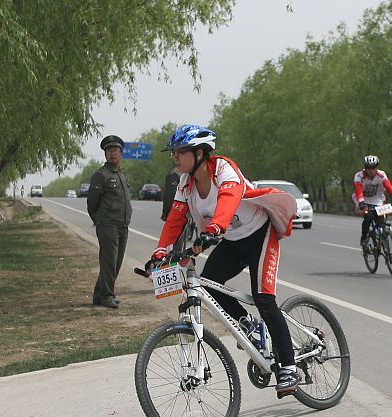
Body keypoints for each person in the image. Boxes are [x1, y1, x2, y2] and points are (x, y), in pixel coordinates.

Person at [147, 124, 301, 396]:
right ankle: (248, 325)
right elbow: (175, 218)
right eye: (173, 153)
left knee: (264, 299)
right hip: (231, 241)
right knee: (209, 284)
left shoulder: (224, 170)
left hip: (259, 234)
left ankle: (289, 367)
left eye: (180, 152)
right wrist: (160, 252)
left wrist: (214, 229)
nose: (175, 157)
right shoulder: (186, 184)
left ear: (200, 153)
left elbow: (228, 200)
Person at [87, 134, 132, 309]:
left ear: (121, 153)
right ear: (105, 154)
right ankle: (107, 296)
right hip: (108, 225)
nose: (113, 153)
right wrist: (98, 220)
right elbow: (92, 203)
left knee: (116, 261)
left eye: (116, 150)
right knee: (109, 261)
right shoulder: (101, 175)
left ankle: (99, 294)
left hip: (123, 225)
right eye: (109, 151)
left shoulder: (122, 175)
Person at [353, 154, 392, 247]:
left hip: (377, 201)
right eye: (368, 168)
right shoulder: (359, 176)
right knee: (369, 217)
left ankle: (383, 241)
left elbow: (389, 186)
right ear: (365, 168)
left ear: (376, 167)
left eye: (373, 167)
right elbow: (359, 191)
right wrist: (361, 203)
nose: (370, 170)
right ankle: (364, 237)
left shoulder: (381, 175)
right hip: (363, 201)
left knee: (382, 219)